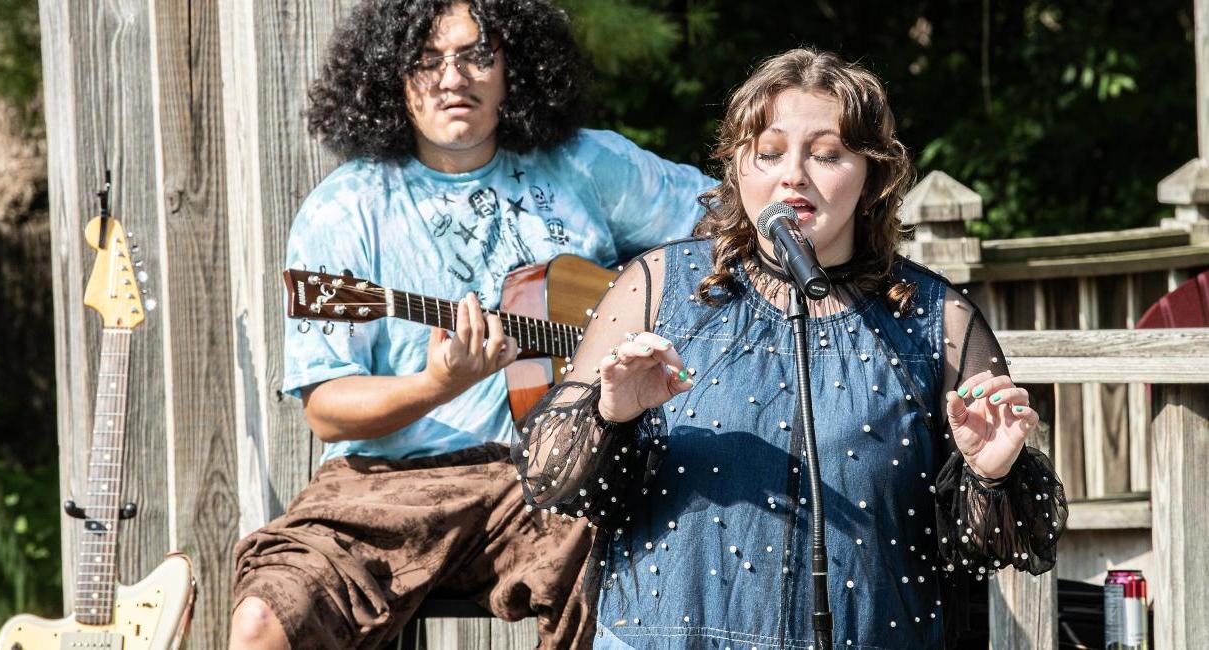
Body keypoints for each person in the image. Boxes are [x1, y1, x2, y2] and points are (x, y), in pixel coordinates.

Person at [513, 47, 1069, 649]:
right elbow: (553, 482)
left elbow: (980, 551)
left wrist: (989, 477)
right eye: (770, 153)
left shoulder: (940, 319)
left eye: (826, 155)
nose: (793, 174)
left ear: (873, 175)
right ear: (737, 169)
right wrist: (610, 416)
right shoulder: (654, 286)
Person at [228, 1, 714, 648]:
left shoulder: (586, 166)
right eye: (428, 60)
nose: (453, 77)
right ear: (391, 77)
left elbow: (729, 226)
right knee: (267, 617)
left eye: (477, 55)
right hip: (384, 485)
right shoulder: (345, 209)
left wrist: (657, 323)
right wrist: (436, 385)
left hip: (557, 472)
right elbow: (328, 409)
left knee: (644, 569)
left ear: (515, 67)